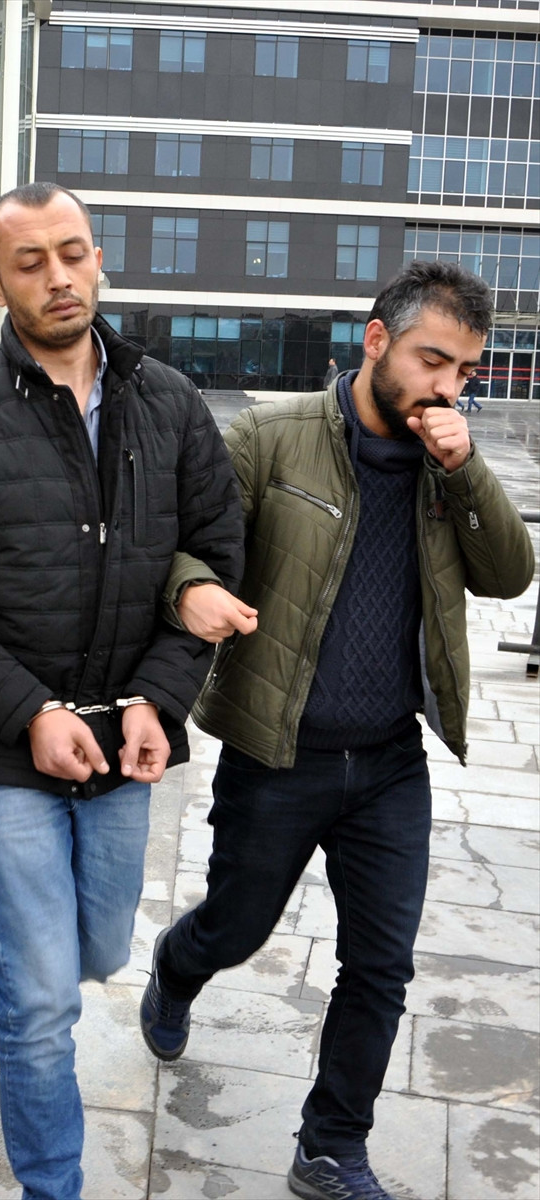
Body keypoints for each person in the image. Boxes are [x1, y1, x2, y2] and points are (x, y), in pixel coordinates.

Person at [0, 182, 247, 1199]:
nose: (58, 276)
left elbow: (215, 562)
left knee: (98, 949)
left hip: (127, 737)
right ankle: (54, 1186)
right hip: (6, 746)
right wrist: (31, 713)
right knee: (49, 1009)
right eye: (30, 262)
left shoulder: (171, 402)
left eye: (73, 252)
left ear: (98, 260)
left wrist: (157, 700)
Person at [141, 260, 534, 1200]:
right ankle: (179, 966)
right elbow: (187, 545)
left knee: (381, 966)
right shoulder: (270, 436)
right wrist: (192, 589)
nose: (447, 387)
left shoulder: (446, 467)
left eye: (464, 371)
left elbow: (510, 575)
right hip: (277, 752)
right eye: (432, 360)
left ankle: (329, 1148)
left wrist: (465, 469)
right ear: (376, 339)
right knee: (235, 928)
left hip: (392, 761)